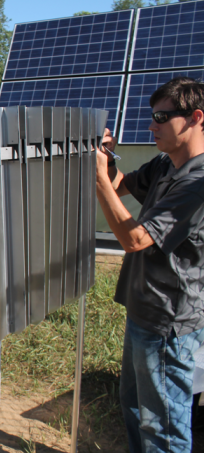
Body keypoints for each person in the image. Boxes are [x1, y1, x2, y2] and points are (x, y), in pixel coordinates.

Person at [96, 76, 204, 452]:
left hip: (168, 322)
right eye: (151, 115)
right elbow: (121, 183)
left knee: (164, 426)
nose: (151, 124)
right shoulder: (164, 164)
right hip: (143, 310)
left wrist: (98, 179)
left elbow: (135, 240)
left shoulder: (198, 181)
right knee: (135, 406)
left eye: (162, 116)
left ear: (194, 118)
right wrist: (106, 162)